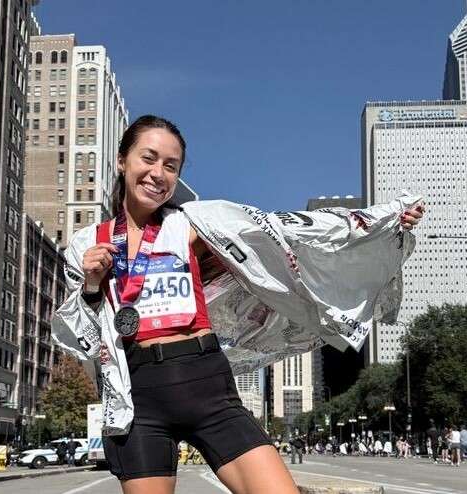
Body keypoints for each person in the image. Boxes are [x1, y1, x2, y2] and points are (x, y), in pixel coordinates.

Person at [64, 115, 425, 493]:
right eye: (148, 158)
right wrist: (92, 285)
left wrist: (380, 220)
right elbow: (80, 335)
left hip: (205, 383)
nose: (158, 173)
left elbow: (291, 230)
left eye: (171, 166)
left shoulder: (194, 224)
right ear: (122, 160)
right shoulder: (87, 243)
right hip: (138, 397)